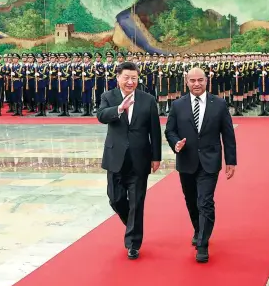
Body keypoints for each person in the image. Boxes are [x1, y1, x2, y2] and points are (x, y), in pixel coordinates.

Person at [164, 67, 237, 263]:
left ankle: (203, 244)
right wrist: (175, 143)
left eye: (200, 80)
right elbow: (169, 130)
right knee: (191, 201)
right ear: (186, 82)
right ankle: (198, 229)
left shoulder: (219, 104)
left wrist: (231, 161)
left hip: (210, 161)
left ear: (207, 81)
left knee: (205, 201)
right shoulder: (178, 105)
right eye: (192, 80)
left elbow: (228, 134)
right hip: (186, 160)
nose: (196, 84)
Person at [97, 62, 162, 260]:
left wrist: (156, 156)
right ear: (118, 78)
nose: (130, 82)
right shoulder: (108, 97)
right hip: (115, 157)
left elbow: (154, 130)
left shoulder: (148, 100)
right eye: (126, 78)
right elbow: (101, 116)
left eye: (134, 78)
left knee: (136, 202)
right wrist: (119, 108)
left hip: (139, 158)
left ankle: (133, 242)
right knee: (115, 199)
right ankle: (132, 225)